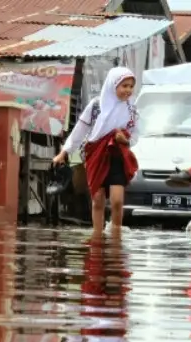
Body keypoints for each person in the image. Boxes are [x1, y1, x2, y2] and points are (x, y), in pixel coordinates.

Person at [53, 67, 140, 235]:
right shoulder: (95, 106)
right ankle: (97, 237)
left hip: (117, 156)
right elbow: (80, 130)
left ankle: (116, 235)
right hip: (95, 155)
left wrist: (126, 140)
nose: (128, 90)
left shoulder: (131, 109)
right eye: (124, 86)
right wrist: (64, 152)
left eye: (131, 86)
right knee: (98, 200)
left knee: (116, 201)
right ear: (112, 85)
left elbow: (136, 134)